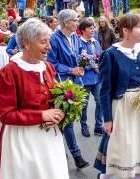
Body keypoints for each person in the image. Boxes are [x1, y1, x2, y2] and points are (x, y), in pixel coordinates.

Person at [0, 18, 68, 179]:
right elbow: (6, 115)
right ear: (26, 44)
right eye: (43, 42)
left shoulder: (47, 67)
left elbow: (55, 99)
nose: (49, 47)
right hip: (22, 140)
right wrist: (40, 115)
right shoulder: (9, 72)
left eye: (48, 41)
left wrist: (60, 113)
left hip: (49, 137)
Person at [94, 12, 140, 179]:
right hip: (122, 107)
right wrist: (108, 119)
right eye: (139, 26)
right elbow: (105, 90)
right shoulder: (110, 54)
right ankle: (105, 176)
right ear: (125, 30)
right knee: (124, 146)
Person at [47, 9, 89, 169]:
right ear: (66, 22)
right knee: (67, 121)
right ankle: (77, 156)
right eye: (75, 20)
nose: (78, 23)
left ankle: (57, 149)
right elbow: (51, 64)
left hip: (75, 84)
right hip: (61, 85)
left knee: (64, 121)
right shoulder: (54, 39)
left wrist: (80, 68)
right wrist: (70, 70)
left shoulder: (75, 38)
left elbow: (77, 58)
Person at [78, 19, 104, 137]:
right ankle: (84, 125)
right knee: (84, 104)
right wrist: (92, 67)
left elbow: (100, 56)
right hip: (85, 79)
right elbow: (78, 61)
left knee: (100, 101)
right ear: (83, 30)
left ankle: (98, 126)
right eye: (90, 28)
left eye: (93, 28)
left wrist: (100, 65)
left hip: (97, 79)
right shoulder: (78, 44)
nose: (93, 30)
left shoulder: (96, 42)